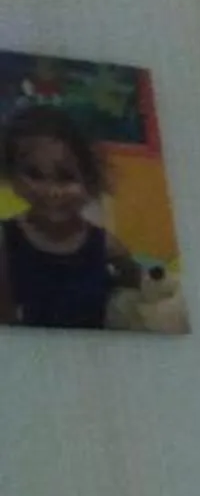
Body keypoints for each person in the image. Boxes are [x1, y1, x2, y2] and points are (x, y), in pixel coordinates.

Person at [0, 103, 147, 330]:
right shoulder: (6, 240)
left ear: (90, 181)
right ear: (13, 177)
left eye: (66, 177)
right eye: (34, 175)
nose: (51, 191)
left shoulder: (105, 244)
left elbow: (141, 292)